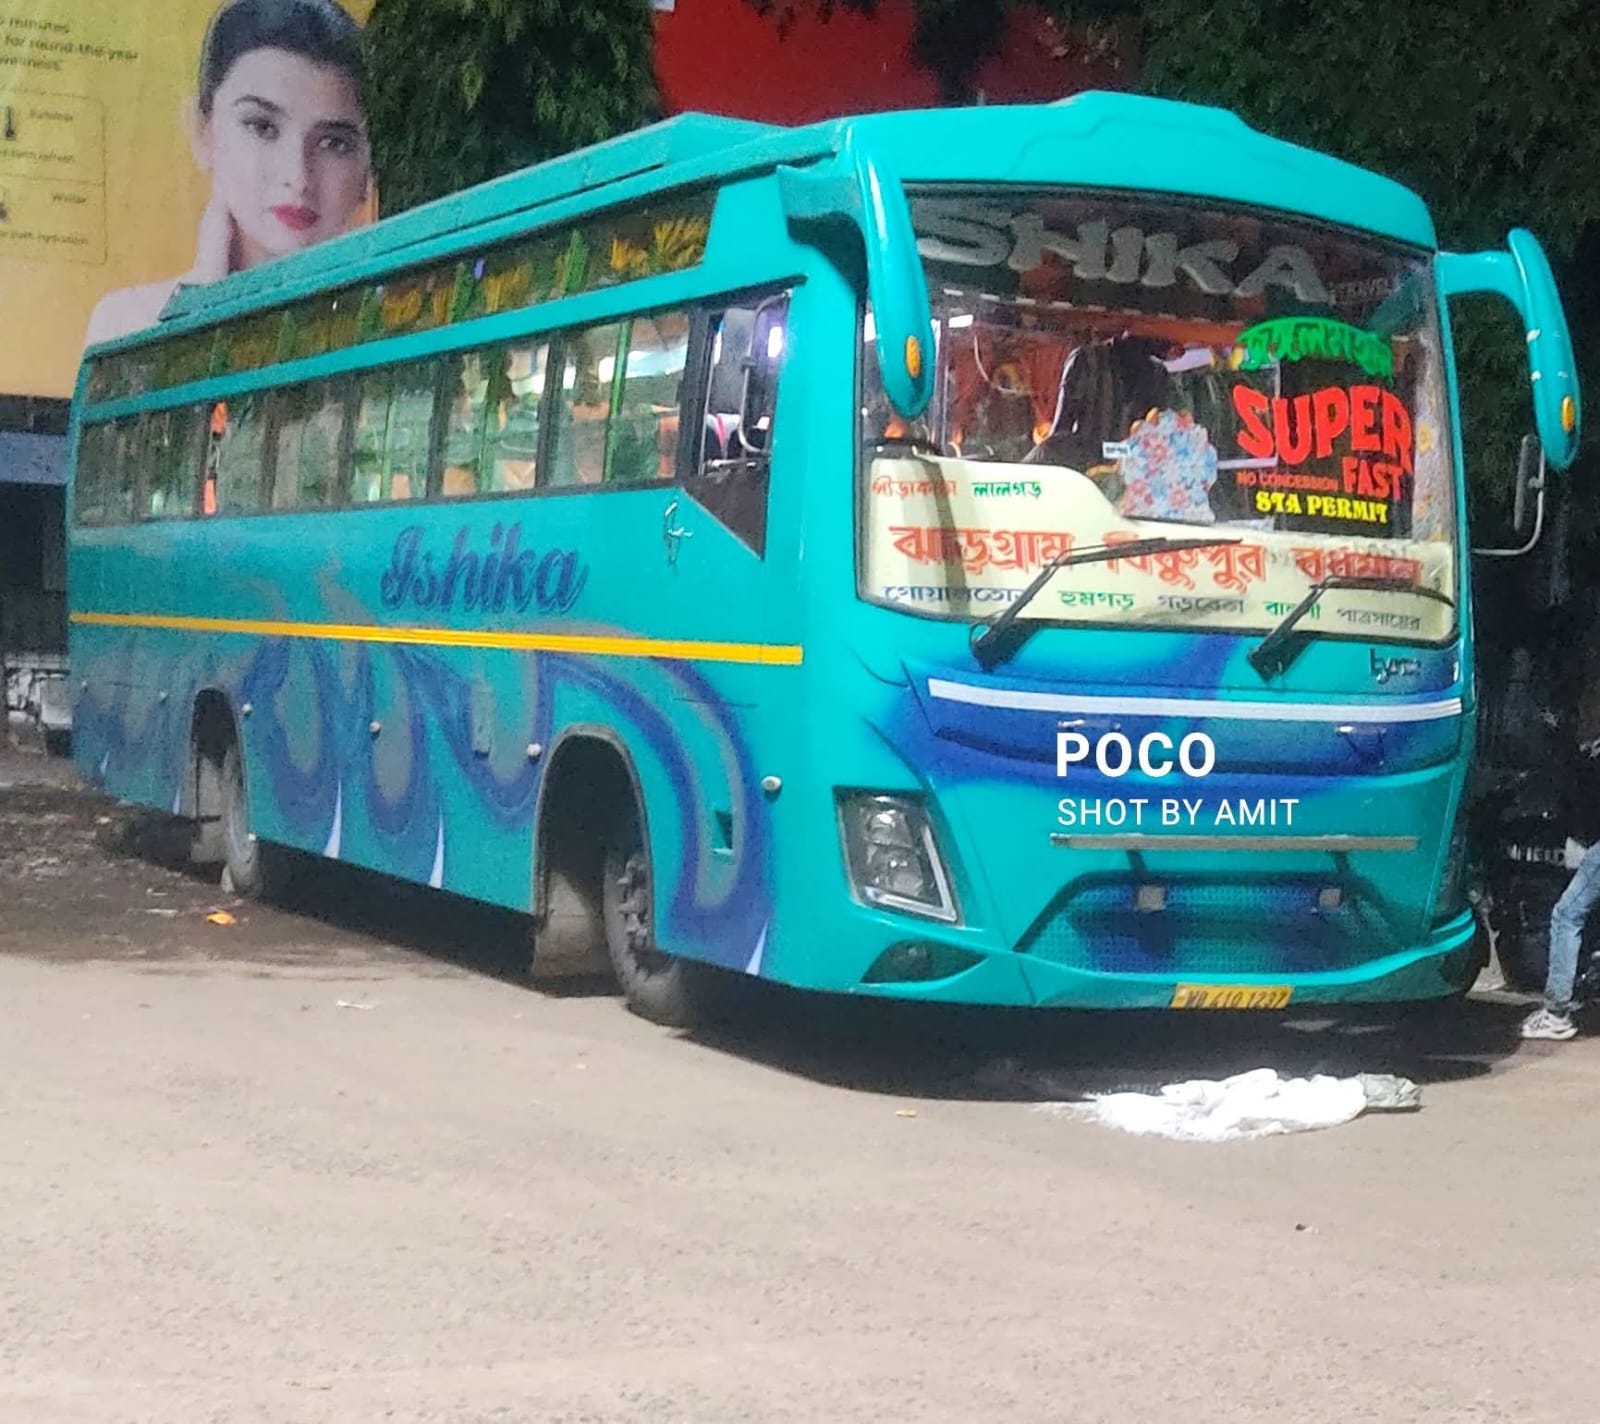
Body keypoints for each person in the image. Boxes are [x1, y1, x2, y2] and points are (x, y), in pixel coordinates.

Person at [84, 0, 370, 349]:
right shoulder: (131, 323)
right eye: (262, 127)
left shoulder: (399, 321)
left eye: (333, 143)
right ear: (202, 132)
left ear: (368, 167)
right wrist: (205, 297)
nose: (298, 176)